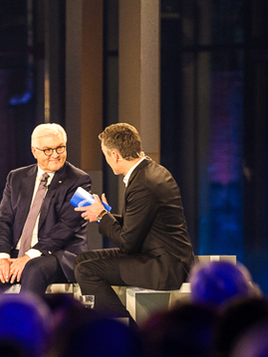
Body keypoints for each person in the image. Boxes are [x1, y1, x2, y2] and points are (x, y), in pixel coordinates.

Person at [74, 122, 194, 317]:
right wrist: (104, 215)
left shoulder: (143, 184)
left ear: (115, 155)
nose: (107, 160)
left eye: (106, 155)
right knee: (82, 259)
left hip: (163, 266)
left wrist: (103, 217)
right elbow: (140, 224)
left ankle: (121, 327)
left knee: (87, 270)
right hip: (159, 256)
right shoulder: (151, 171)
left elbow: (128, 243)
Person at [0, 123, 91, 299]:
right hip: (17, 253)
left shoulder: (81, 180)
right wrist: (2, 257)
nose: (55, 155)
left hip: (58, 254)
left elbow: (67, 227)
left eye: (60, 148)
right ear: (34, 151)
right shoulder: (16, 177)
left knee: (33, 269)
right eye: (47, 150)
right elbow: (2, 220)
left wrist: (29, 257)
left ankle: (28, 324)